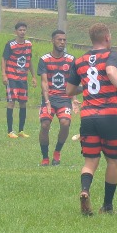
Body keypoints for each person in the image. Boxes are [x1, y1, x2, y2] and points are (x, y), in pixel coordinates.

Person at [67, 23, 117, 215]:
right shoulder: (112, 55)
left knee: (90, 161)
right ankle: (107, 206)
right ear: (107, 38)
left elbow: (69, 90)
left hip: (88, 117)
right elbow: (110, 72)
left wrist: (89, 85)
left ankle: (85, 190)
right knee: (113, 161)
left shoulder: (80, 60)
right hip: (110, 116)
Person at [38, 29, 77, 166]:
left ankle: (57, 152)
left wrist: (73, 99)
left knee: (65, 123)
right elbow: (44, 82)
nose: (62, 42)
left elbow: (73, 81)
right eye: (59, 39)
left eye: (64, 40)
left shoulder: (71, 60)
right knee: (45, 125)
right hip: (49, 98)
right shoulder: (44, 60)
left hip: (64, 98)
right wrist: (47, 101)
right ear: (52, 41)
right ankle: (45, 157)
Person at [2, 21, 32, 138]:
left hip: (23, 78)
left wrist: (33, 76)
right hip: (11, 77)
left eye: (24, 30)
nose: (22, 32)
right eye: (20, 30)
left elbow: (29, 61)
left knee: (23, 103)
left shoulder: (29, 44)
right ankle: (10, 131)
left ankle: (21, 130)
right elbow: (3, 59)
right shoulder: (10, 44)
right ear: (16, 31)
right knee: (11, 102)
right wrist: (3, 75)